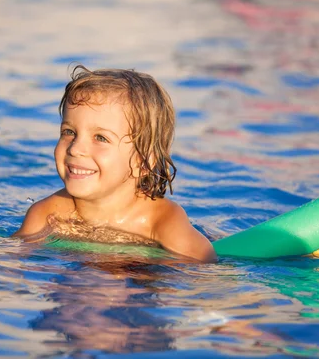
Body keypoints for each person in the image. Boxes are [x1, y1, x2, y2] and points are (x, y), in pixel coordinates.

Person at [13, 65, 217, 263]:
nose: (75, 148)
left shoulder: (161, 222)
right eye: (69, 132)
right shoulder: (48, 214)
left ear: (143, 162)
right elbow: (9, 263)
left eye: (100, 138)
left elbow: (204, 274)